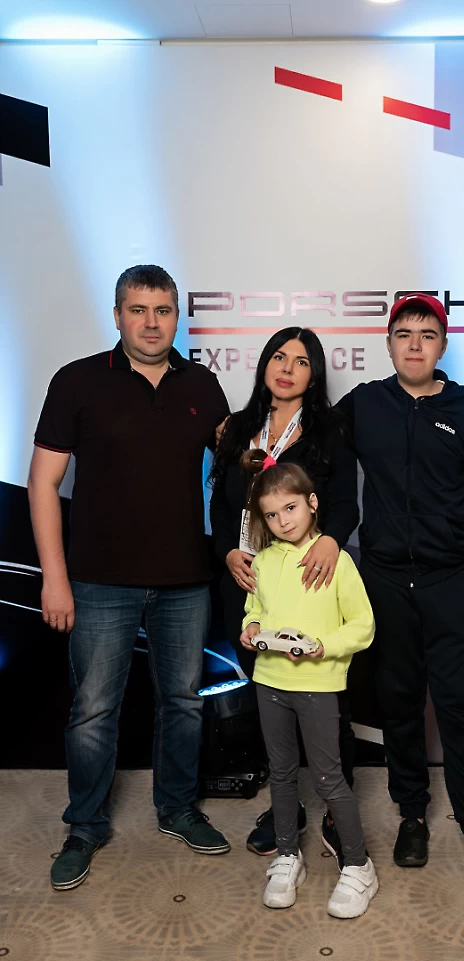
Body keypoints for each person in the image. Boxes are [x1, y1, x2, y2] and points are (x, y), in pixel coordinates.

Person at [28, 265, 231, 891]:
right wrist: (54, 578)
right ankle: (85, 826)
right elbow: (43, 483)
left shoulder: (203, 386)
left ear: (177, 317)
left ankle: (177, 809)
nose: (151, 323)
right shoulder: (77, 381)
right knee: (94, 711)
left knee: (184, 703)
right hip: (97, 582)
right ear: (117, 315)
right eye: (138, 310)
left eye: (163, 310)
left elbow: (245, 470)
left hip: (185, 580)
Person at [336, 293, 464, 909]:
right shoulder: (365, 404)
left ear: (443, 346)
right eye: (404, 334)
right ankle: (412, 817)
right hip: (385, 582)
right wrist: (240, 431)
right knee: (399, 707)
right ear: (389, 344)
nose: (415, 344)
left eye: (427, 335)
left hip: (450, 581)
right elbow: (305, 436)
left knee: (458, 711)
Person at [210, 327, 359, 861]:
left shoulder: (328, 429)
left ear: (313, 375)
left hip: (308, 579)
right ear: (265, 365)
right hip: (250, 581)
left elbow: (345, 502)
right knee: (268, 695)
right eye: (279, 356)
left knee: (323, 698)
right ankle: (284, 807)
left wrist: (333, 542)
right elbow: (220, 506)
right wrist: (228, 552)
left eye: (300, 361)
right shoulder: (237, 429)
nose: (287, 368)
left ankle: (338, 811)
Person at [239, 459, 378, 918]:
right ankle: (287, 855)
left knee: (328, 778)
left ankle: (358, 865)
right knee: (281, 774)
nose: (283, 521)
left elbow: (363, 625)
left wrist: (322, 647)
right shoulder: (263, 560)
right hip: (268, 681)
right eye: (272, 515)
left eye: (291, 508)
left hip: (318, 684)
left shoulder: (337, 560)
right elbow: (255, 607)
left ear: (312, 503)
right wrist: (251, 626)